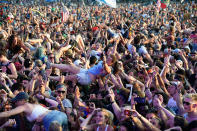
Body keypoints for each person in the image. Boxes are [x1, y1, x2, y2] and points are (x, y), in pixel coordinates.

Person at [0, 92, 68, 131]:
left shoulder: (24, 106)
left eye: (17, 101)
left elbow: (8, 113)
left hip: (50, 119)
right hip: (61, 115)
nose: (16, 103)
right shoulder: (35, 104)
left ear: (23, 101)